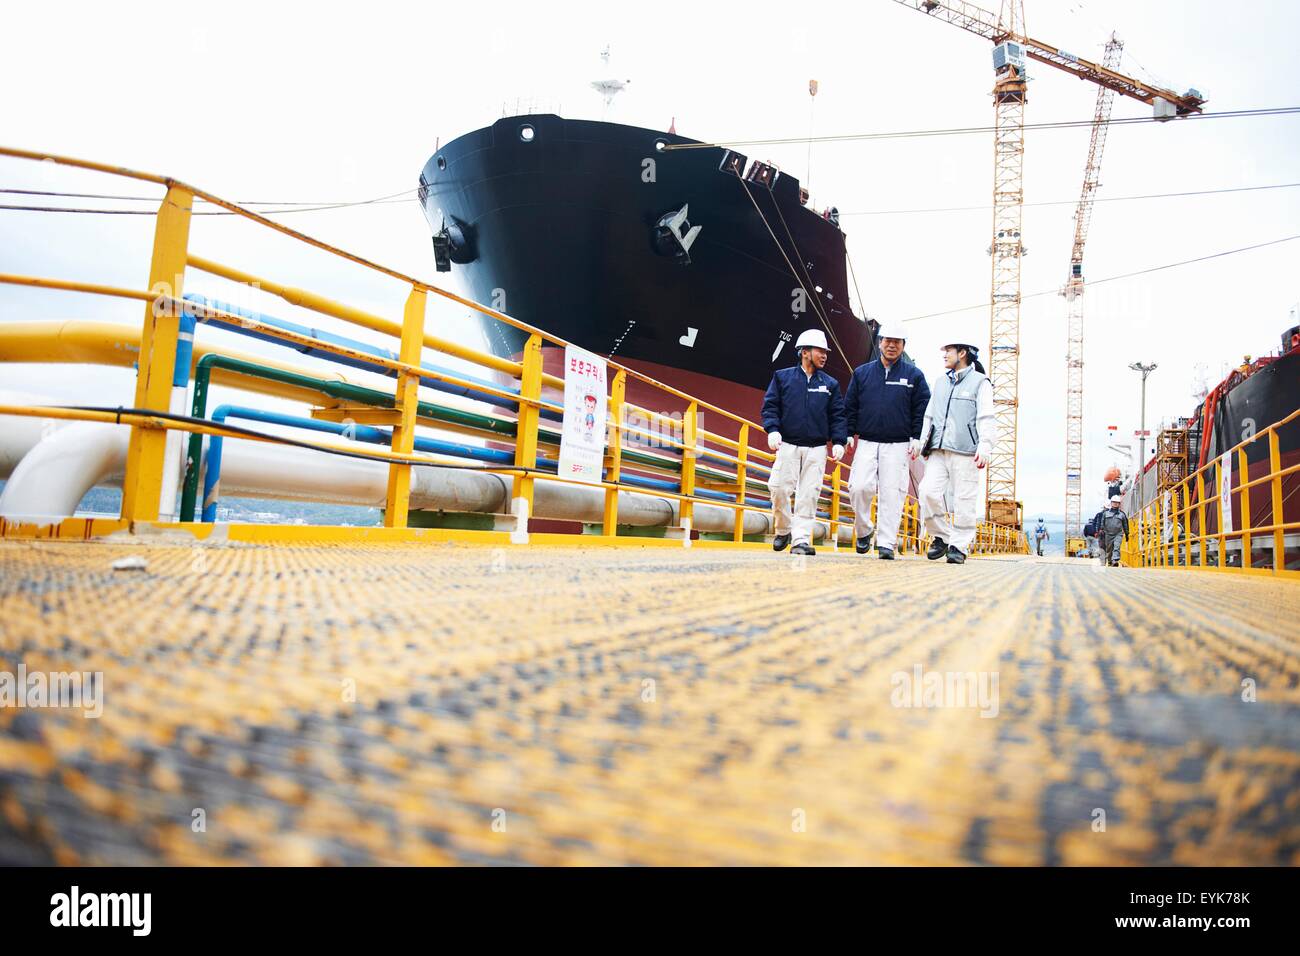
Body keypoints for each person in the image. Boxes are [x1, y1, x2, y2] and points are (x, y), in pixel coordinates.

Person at [843, 323, 930, 560]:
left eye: (897, 342)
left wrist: (916, 437)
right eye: (887, 341)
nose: (891, 346)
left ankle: (886, 543)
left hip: (898, 443)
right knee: (858, 487)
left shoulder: (914, 376)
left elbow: (922, 409)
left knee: (892, 493)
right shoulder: (862, 373)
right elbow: (850, 406)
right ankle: (863, 530)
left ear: (903, 346)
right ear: (879, 342)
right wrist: (848, 433)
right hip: (868, 441)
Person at [761, 328, 847, 556]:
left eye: (826, 351)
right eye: (820, 350)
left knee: (809, 495)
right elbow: (771, 406)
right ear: (804, 352)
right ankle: (783, 530)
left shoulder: (830, 384)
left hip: (817, 448)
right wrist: (772, 430)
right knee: (778, 488)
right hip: (787, 444)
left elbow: (838, 415)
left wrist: (839, 441)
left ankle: (800, 540)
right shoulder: (782, 377)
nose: (825, 355)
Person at [915, 339, 995, 565]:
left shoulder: (981, 383)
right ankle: (941, 535)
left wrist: (985, 444)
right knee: (927, 492)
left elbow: (986, 416)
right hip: (938, 449)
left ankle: (959, 546)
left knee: (964, 499)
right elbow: (929, 415)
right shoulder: (940, 382)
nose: (944, 354)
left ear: (962, 353)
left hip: (966, 451)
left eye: (948, 350)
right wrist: (923, 442)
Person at [1098, 494, 1130, 567]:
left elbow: (1125, 525)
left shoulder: (1122, 514)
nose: (1115, 504)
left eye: (1117, 502)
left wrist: (1127, 534)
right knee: (1109, 550)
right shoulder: (1105, 513)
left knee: (1116, 547)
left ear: (1119, 504)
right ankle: (1110, 561)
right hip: (1108, 534)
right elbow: (1102, 522)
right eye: (1114, 502)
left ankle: (1115, 560)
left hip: (1118, 534)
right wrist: (1101, 530)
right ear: (1111, 503)